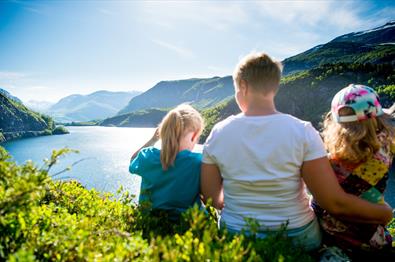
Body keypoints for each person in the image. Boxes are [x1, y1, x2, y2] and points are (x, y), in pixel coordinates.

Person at [200, 52, 393, 251]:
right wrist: (385, 214)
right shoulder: (303, 131)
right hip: (298, 234)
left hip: (237, 233)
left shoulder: (218, 133)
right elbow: (333, 202)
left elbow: (210, 197)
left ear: (242, 86)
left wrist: (242, 207)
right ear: (274, 86)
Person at [313, 84, 395, 256]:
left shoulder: (330, 162)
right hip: (374, 236)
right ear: (376, 118)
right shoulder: (387, 147)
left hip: (334, 236)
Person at [129, 104, 204, 217]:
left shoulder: (147, 156)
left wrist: (153, 139)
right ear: (193, 136)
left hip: (149, 225)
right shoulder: (198, 162)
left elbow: (133, 161)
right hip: (185, 228)